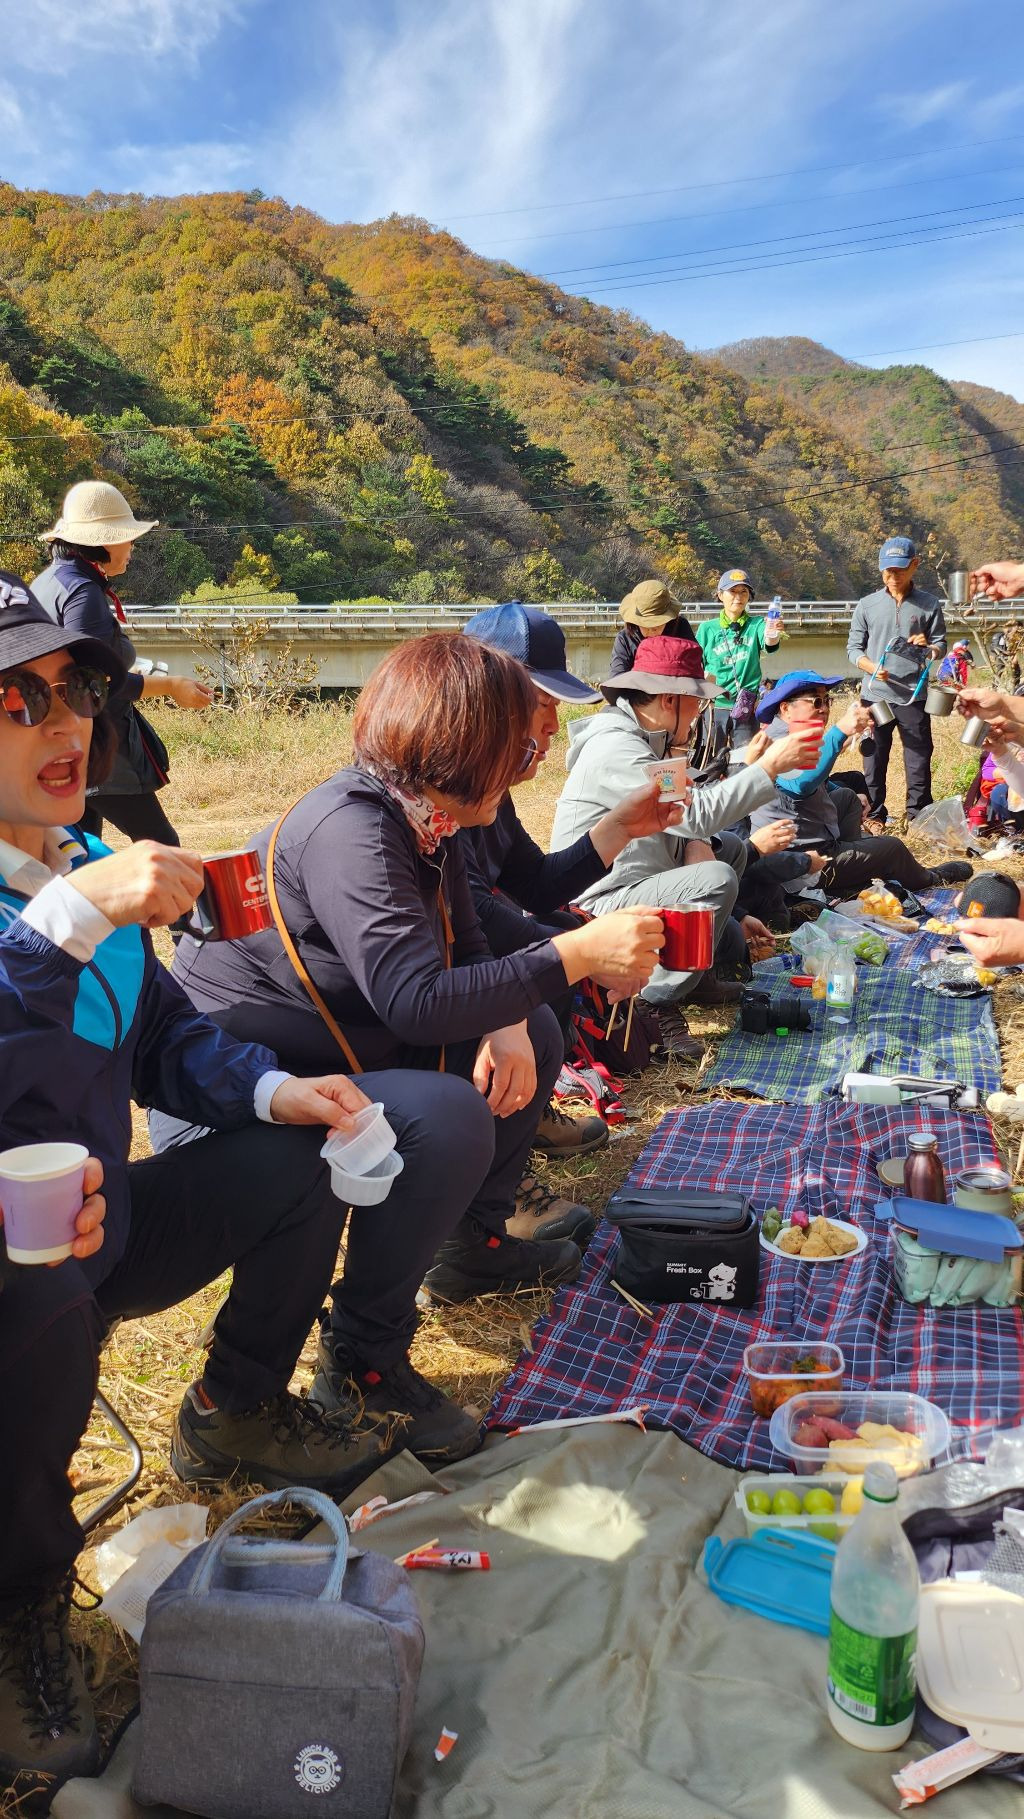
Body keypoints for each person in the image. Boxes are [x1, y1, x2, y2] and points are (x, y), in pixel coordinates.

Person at [0, 574, 438, 1799]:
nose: (64, 722)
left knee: (300, 1153)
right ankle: (20, 1600)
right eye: (17, 699)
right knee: (30, 1281)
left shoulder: (81, 862)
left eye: (76, 689)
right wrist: (60, 923)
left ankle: (236, 1407)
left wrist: (274, 1089)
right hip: (20, 1275)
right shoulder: (71, 896)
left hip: (104, 1227)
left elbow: (159, 1039)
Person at [163, 632, 664, 1303]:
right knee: (446, 1109)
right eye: (517, 741)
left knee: (535, 1030)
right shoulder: (356, 831)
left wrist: (508, 1018)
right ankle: (369, 1320)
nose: (531, 753)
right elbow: (416, 1001)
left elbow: (469, 938)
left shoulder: (431, 820)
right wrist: (576, 954)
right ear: (463, 743)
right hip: (253, 1073)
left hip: (339, 1035)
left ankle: (472, 1244)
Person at [460, 602, 688, 1157]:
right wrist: (587, 954)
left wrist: (619, 829)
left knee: (561, 932)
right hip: (432, 984)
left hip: (465, 961)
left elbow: (536, 884)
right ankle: (492, 1138)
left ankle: (530, 1105)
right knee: (558, 955)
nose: (551, 727)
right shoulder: (441, 796)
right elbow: (470, 915)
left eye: (555, 708)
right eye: (542, 704)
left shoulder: (493, 794)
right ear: (485, 701)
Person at [550, 636, 821, 1053]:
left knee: (728, 848)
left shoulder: (646, 740)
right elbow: (693, 815)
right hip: (597, 906)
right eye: (696, 702)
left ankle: (694, 973)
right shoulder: (618, 747)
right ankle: (652, 1000)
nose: (698, 714)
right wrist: (768, 768)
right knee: (717, 876)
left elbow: (687, 813)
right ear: (669, 700)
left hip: (635, 880)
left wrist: (701, 834)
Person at [32, 481, 214, 846]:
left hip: (64, 742)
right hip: (95, 745)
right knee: (161, 847)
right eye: (126, 538)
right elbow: (92, 683)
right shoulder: (82, 593)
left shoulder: (51, 582)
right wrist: (170, 686)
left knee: (79, 855)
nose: (131, 546)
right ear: (102, 542)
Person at [748, 670, 972, 894]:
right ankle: (930, 878)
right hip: (801, 864)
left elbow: (806, 785)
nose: (824, 708)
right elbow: (800, 784)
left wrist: (844, 788)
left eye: (827, 700)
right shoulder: (778, 744)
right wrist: (840, 731)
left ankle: (854, 873)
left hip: (803, 837)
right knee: (892, 847)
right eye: (816, 701)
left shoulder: (793, 734)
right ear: (786, 708)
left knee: (847, 797)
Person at [847, 536, 947, 831]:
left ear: (915, 565)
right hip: (875, 695)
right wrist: (871, 668)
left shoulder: (928, 604)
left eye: (900, 570)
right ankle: (874, 816)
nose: (893, 577)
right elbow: (853, 649)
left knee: (918, 756)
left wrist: (929, 648)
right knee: (874, 756)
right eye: (887, 570)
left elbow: (940, 644)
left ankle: (919, 817)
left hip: (913, 695)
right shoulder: (867, 605)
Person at [695, 567, 783, 751]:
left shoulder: (756, 624)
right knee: (709, 757)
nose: (738, 597)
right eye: (733, 591)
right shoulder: (707, 629)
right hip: (715, 707)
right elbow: (694, 665)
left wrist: (773, 631)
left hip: (746, 707)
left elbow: (769, 642)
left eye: (744, 591)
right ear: (720, 595)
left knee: (745, 759)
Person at [607, 579, 696, 678]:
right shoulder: (625, 638)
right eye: (645, 626)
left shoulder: (681, 627)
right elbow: (617, 678)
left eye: (656, 627)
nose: (651, 633)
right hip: (637, 686)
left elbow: (695, 667)